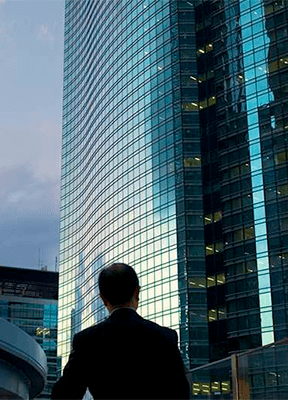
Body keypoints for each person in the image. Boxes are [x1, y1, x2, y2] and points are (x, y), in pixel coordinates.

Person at [51, 263, 190, 400]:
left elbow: (65, 394)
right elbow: (181, 392)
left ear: (103, 299)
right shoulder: (164, 337)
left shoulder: (86, 340)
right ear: (137, 292)